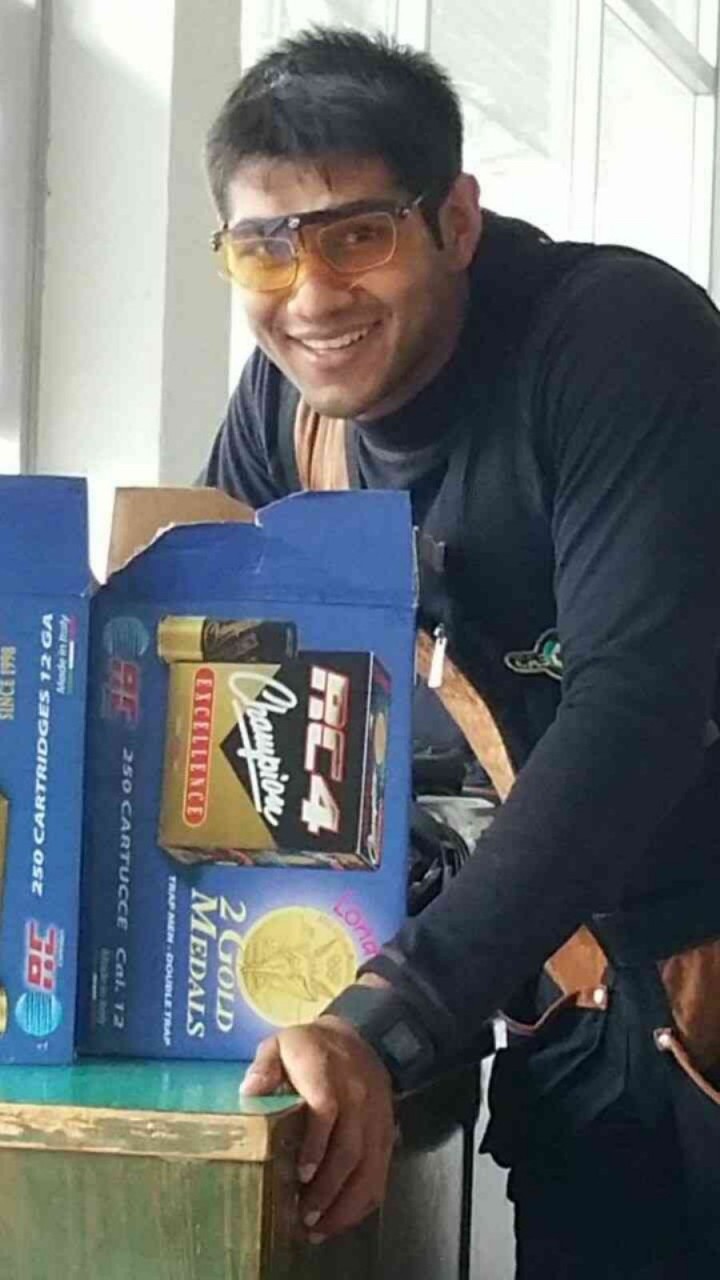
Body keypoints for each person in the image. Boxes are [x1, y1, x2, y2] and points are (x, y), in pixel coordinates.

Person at [202, 27, 720, 1278]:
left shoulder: (616, 339)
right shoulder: (286, 412)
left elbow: (638, 706)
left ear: (458, 220)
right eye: (265, 246)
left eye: (357, 235)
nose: (311, 295)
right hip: (561, 995)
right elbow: (204, 690)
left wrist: (394, 1011)